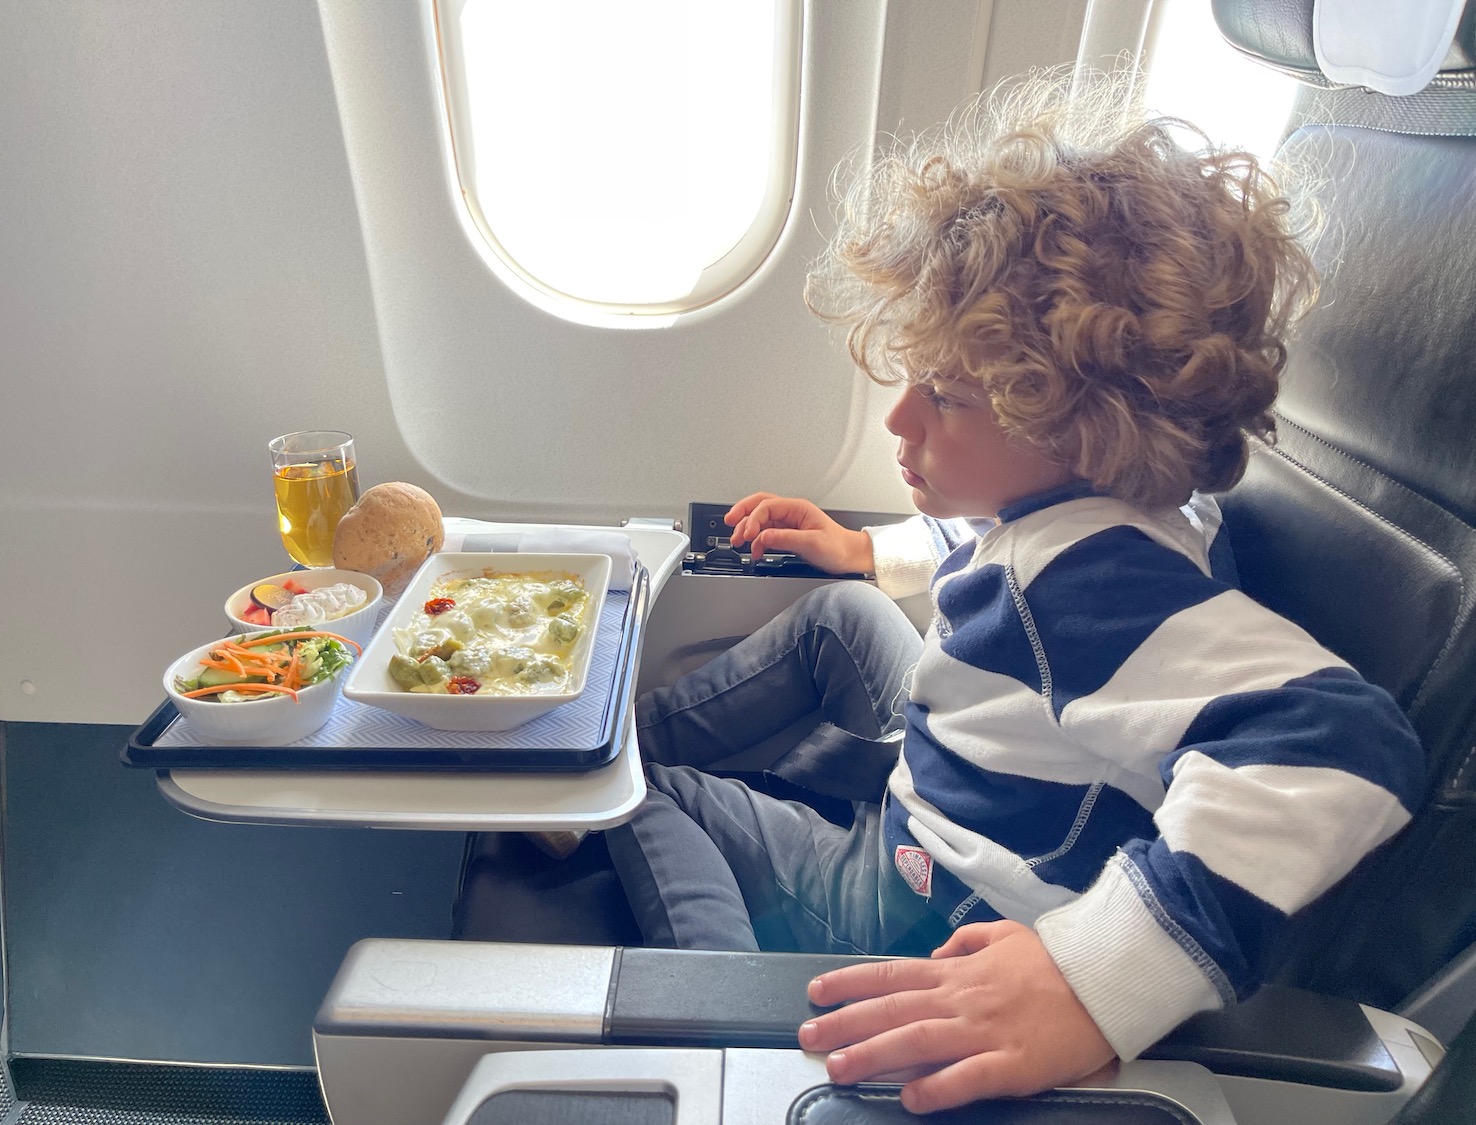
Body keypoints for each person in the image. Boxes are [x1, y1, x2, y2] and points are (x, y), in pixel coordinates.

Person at [603, 71, 1426, 1112]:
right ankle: (627, 747)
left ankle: (734, 1014)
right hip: (952, 793)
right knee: (838, 617)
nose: (900, 422)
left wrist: (1092, 977)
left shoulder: (1088, 582)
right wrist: (869, 559)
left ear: (1078, 426)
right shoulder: (1090, 514)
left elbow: (1344, 743)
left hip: (930, 916)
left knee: (642, 796)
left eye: (942, 398)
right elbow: (981, 540)